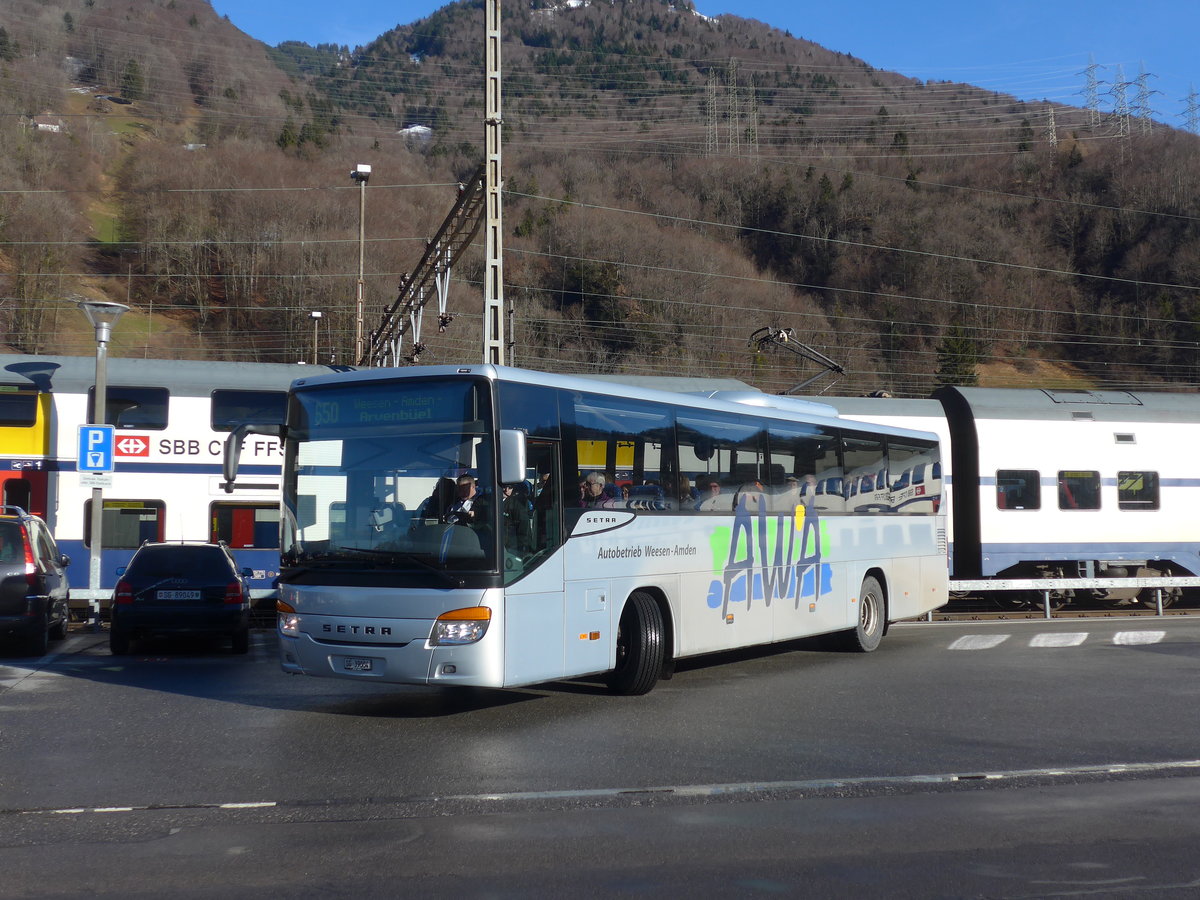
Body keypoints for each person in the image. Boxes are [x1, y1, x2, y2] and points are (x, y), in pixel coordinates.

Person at [501, 483, 533, 552]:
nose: (506, 490)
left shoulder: (516, 506)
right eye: (504, 487)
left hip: (512, 548)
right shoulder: (490, 501)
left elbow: (524, 531)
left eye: (510, 488)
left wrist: (523, 549)